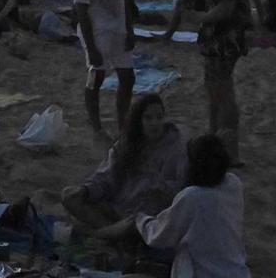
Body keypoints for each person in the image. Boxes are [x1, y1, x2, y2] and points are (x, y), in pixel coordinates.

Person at [89, 133, 247, 278]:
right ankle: (98, 235)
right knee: (140, 266)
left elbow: (159, 237)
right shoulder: (233, 184)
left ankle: (96, 235)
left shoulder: (193, 197)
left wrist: (140, 220)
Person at [172, 0, 253, 162]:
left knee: (222, 92)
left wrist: (198, 18)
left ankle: (229, 149)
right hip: (224, 36)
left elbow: (226, 7)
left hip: (223, 37)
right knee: (215, 90)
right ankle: (217, 143)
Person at [61, 92, 186, 230]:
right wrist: (86, 190)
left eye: (159, 117)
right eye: (148, 118)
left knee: (135, 226)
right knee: (69, 195)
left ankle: (109, 233)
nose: (154, 123)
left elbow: (182, 189)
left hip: (145, 218)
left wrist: (162, 188)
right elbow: (106, 177)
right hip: (116, 207)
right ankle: (111, 230)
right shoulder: (127, 144)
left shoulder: (176, 149)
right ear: (139, 121)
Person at [74, 0, 135, 135]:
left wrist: (130, 28)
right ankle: (96, 124)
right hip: (98, 30)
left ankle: (122, 122)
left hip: (117, 28)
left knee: (127, 78)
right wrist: (90, 47)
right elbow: (81, 7)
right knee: (96, 77)